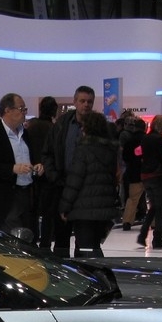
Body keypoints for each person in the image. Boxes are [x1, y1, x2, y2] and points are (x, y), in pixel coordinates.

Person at [42, 86, 96, 256]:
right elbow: (48, 153)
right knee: (61, 238)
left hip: (87, 192)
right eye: (82, 101)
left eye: (89, 102)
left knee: (86, 241)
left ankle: (84, 270)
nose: (86, 105)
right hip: (62, 188)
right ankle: (61, 270)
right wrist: (53, 176)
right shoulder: (61, 124)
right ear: (75, 102)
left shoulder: (99, 126)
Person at [0, 93, 42, 233]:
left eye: (25, 109)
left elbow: (32, 158)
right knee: (12, 236)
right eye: (21, 109)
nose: (25, 112)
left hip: (27, 192)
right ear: (7, 110)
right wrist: (12, 168)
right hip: (6, 196)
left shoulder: (25, 134)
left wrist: (37, 165)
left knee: (29, 234)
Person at [59, 111, 119, 257]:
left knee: (86, 248)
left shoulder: (83, 150)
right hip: (104, 207)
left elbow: (74, 181)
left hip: (84, 209)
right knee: (94, 246)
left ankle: (92, 271)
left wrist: (64, 207)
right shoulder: (110, 150)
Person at [137, 114, 162, 249]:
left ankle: (143, 234)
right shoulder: (159, 138)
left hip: (146, 175)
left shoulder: (145, 137)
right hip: (158, 176)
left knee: (154, 206)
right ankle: (157, 238)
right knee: (160, 208)